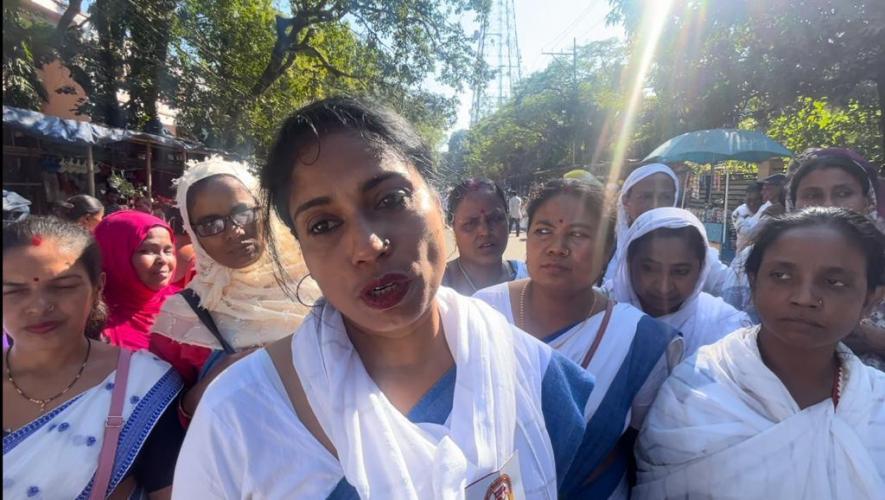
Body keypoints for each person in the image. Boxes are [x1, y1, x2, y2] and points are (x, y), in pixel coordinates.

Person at [173, 98, 604, 499]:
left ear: (436, 201)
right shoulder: (238, 418)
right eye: (323, 225)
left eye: (391, 199)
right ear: (302, 250)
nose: (368, 245)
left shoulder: (535, 375)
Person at [634, 207, 885, 498]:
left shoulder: (877, 403)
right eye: (781, 276)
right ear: (753, 282)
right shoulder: (693, 392)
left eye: (834, 282)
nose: (804, 298)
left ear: (870, 299)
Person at [474, 178, 682, 498]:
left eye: (579, 234)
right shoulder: (482, 311)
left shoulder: (640, 341)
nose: (557, 247)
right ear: (526, 239)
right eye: (543, 230)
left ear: (607, 251)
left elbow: (642, 449)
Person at [3, 216, 185, 499]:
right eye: (14, 291)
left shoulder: (145, 385)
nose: (38, 306)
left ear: (98, 287)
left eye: (63, 286)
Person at [151, 157, 314, 408]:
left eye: (243, 213)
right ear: (194, 233)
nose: (234, 232)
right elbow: (162, 418)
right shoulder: (181, 318)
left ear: (264, 210)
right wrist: (208, 390)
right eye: (210, 224)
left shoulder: (316, 281)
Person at [612, 207, 752, 357]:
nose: (664, 287)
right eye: (649, 268)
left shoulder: (727, 329)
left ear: (701, 269)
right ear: (628, 263)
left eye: (680, 272)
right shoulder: (599, 314)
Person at [95, 211, 178, 351]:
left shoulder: (187, 304)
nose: (163, 260)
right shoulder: (93, 326)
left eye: (168, 250)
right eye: (147, 251)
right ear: (116, 255)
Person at [442, 178, 528, 295]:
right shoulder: (437, 287)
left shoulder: (530, 279)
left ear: (507, 218)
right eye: (470, 223)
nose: (485, 231)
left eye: (495, 219)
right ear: (452, 226)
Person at [733, 182, 763, 252]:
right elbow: (747, 234)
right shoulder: (738, 212)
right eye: (749, 200)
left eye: (756, 200)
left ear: (762, 199)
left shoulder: (767, 209)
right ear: (745, 198)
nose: (752, 203)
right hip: (743, 257)